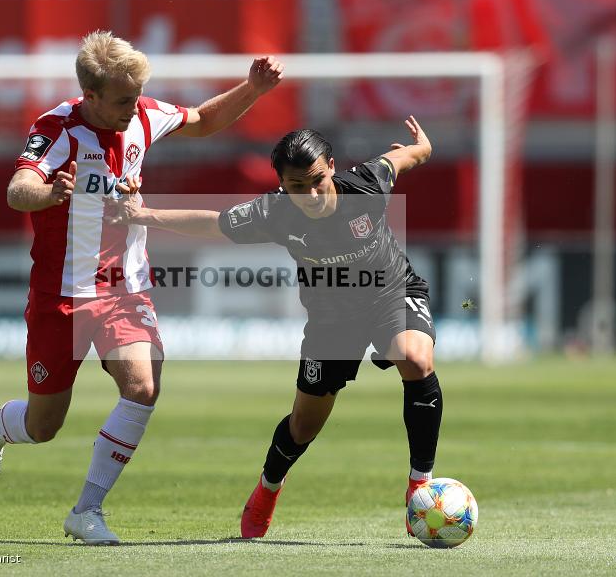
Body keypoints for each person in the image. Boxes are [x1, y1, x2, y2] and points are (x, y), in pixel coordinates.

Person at [0, 29, 284, 545]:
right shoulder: (57, 127)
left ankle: (86, 510)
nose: (131, 108)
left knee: (143, 385)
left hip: (122, 285)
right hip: (61, 294)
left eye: (135, 97)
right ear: (89, 96)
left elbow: (202, 121)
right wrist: (48, 193)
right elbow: (17, 189)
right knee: (45, 425)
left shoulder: (139, 112)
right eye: (120, 100)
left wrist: (252, 89)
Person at [107, 116, 439, 539]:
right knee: (304, 426)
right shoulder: (275, 212)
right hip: (331, 321)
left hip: (390, 292)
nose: (312, 193)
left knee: (413, 356)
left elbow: (407, 155)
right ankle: (267, 489)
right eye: (298, 186)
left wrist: (423, 145)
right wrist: (143, 215)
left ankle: (420, 486)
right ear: (283, 185)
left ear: (332, 166)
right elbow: (213, 223)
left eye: (317, 180)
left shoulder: (368, 185)